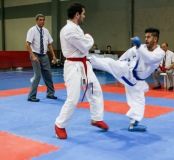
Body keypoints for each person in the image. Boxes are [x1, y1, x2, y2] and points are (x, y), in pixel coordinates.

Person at [90, 28, 165, 132]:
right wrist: (119, 62)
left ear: (155, 39)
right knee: (110, 62)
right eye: (145, 37)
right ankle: (88, 60)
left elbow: (150, 58)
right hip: (127, 70)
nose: (146, 39)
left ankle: (133, 124)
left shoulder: (160, 53)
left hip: (137, 81)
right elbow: (128, 53)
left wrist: (138, 47)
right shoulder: (141, 47)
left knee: (139, 101)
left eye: (148, 37)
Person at [55, 2, 109, 139]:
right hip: (73, 66)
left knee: (95, 90)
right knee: (73, 98)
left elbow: (83, 47)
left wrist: (85, 39)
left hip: (84, 64)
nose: (85, 16)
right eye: (83, 14)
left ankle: (96, 118)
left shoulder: (76, 28)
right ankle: (60, 125)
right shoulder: (68, 30)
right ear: (77, 14)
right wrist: (89, 37)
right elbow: (85, 46)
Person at [26, 14, 57, 102]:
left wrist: (54, 55)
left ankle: (50, 94)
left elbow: (49, 44)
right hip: (35, 54)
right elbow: (27, 44)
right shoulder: (32, 30)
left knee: (48, 75)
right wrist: (33, 56)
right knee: (38, 75)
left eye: (43, 20)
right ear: (36, 21)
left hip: (44, 55)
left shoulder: (46, 31)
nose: (42, 21)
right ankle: (31, 96)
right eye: (40, 20)